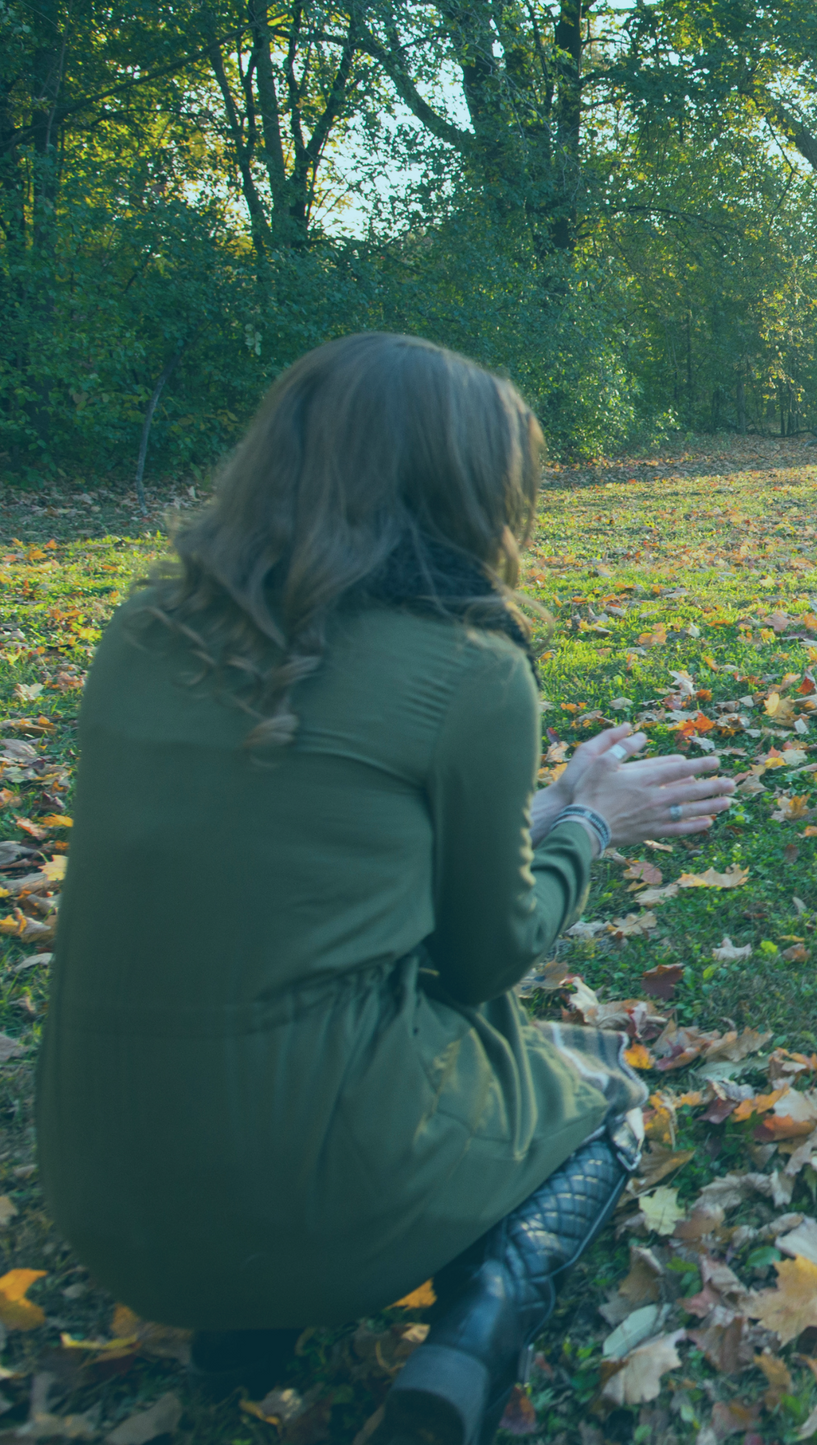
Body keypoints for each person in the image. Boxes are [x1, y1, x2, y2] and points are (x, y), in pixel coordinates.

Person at [35, 333, 735, 1445]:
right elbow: (479, 958)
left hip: (103, 1204)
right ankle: (470, 1336)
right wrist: (592, 826)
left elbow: (298, 854)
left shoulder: (143, 630)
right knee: (601, 1089)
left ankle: (242, 1329)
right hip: (316, 1188)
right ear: (469, 487)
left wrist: (537, 805)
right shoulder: (467, 671)